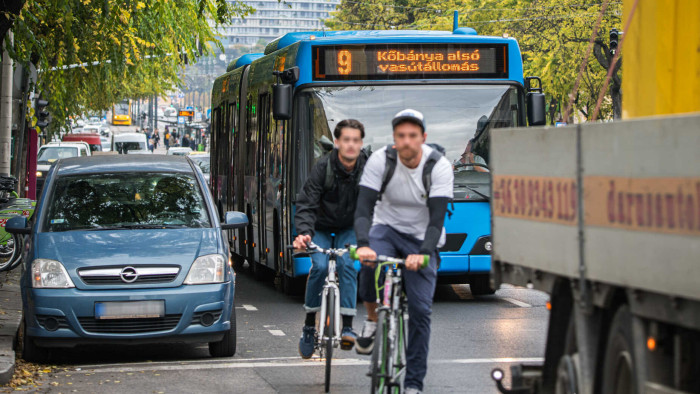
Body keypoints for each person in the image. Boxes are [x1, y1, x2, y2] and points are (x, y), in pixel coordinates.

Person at [353, 109, 453, 394]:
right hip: (386, 227)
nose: (406, 142)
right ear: (394, 139)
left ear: (423, 138)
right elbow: (364, 209)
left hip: (423, 237)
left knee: (421, 311)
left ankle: (413, 384)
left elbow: (436, 219)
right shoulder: (380, 160)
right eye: (401, 136)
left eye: (412, 136)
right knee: (368, 263)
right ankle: (372, 319)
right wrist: (362, 245)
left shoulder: (439, 166)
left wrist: (423, 253)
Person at [293, 119, 367, 359]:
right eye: (346, 140)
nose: (351, 145)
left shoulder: (367, 169)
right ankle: (308, 326)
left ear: (360, 143)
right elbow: (306, 203)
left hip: (349, 228)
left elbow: (373, 205)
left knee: (347, 265)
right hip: (321, 228)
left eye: (355, 140)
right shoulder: (322, 167)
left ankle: (347, 327)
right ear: (337, 142)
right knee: (320, 266)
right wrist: (304, 232)